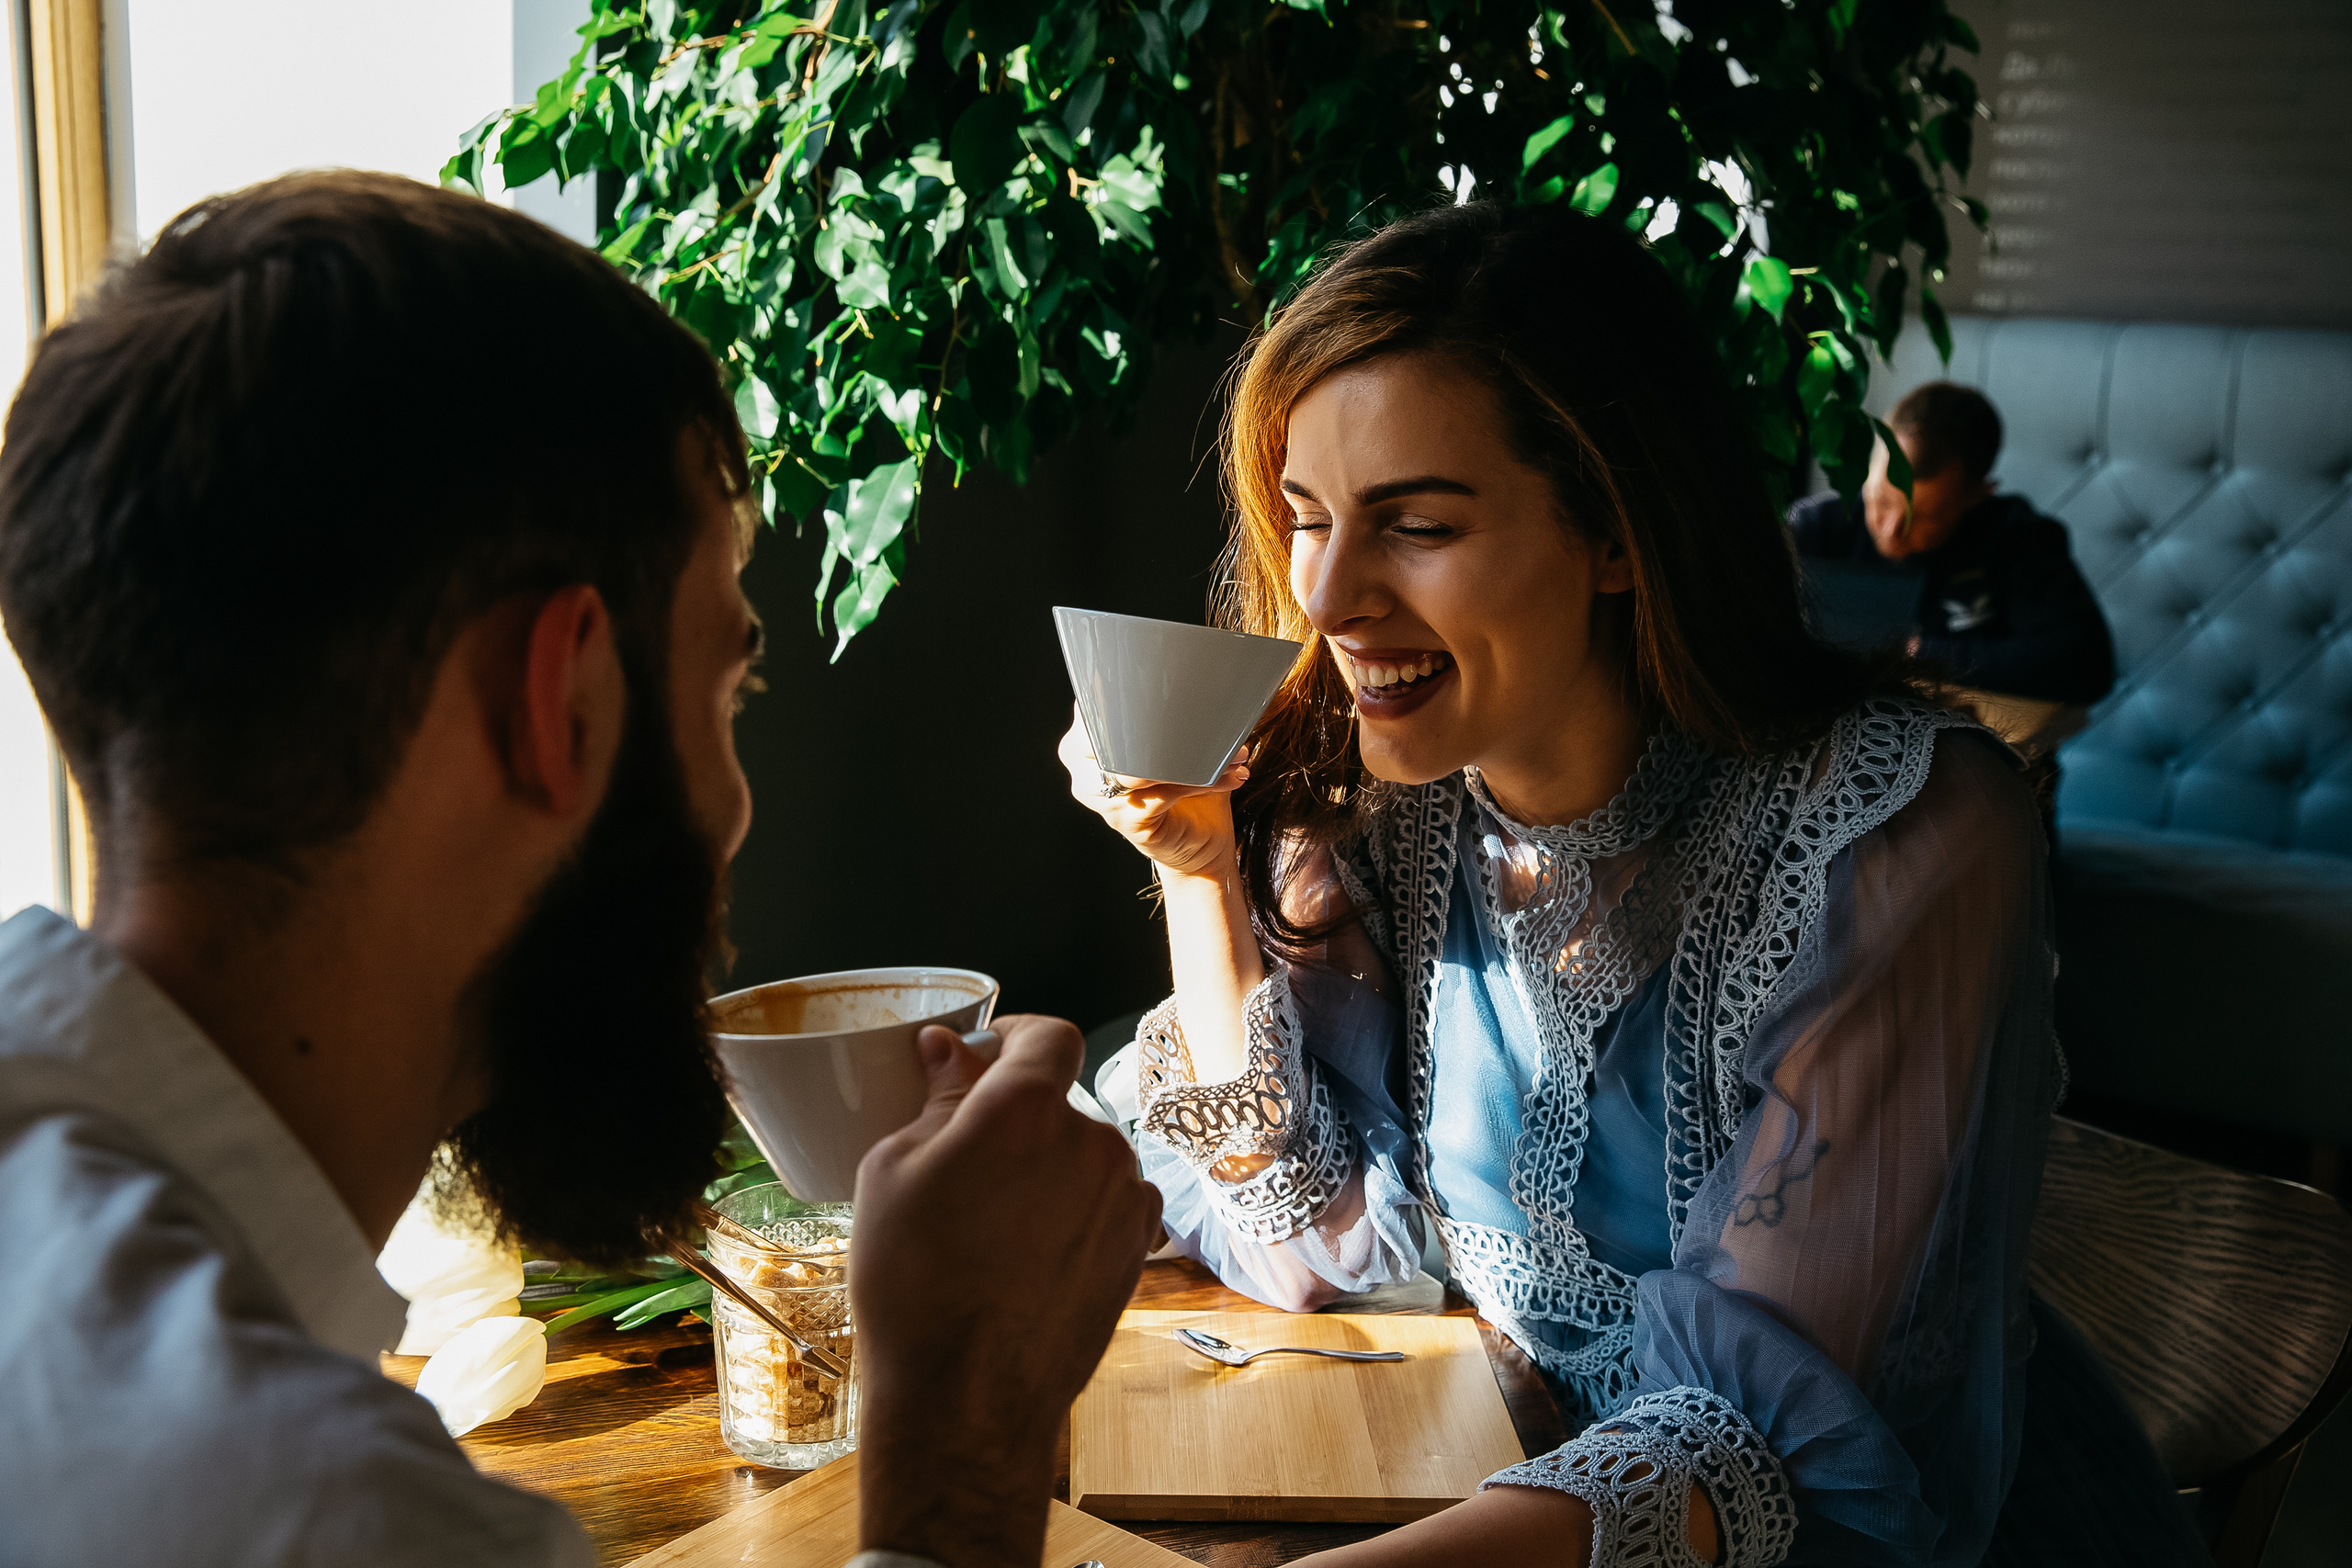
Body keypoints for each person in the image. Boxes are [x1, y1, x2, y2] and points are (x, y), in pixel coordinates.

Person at [0, 172, 1159, 1568]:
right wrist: (966, 1433)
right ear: (559, 701)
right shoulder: (318, 1507)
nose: (733, 811)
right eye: (728, 692)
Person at [1060, 205, 2206, 1566]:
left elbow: (1741, 1443)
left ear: (1617, 530)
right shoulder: (1378, 794)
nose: (1326, 595)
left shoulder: (1898, 831)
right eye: (1307, 517)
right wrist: (1199, 865)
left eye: (1415, 524)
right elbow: (1308, 1248)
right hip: (1501, 1494)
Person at [1788, 380, 2115, 707]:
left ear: (1977, 496)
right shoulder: (1816, 528)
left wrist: (1918, 653)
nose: (1891, 531)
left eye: (1923, 517)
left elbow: (2085, 664)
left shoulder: (2018, 539)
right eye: (1882, 500)